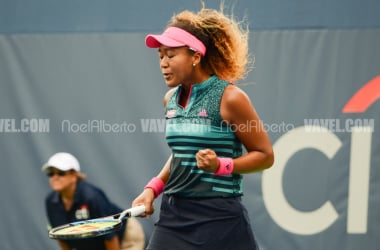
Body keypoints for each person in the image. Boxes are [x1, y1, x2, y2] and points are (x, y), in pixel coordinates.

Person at [132, 5, 275, 250]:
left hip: (220, 217)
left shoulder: (230, 98)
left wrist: (221, 165)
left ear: (196, 56)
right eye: (160, 56)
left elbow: (265, 156)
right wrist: (152, 188)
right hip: (174, 215)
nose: (163, 63)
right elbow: (182, 153)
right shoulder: (170, 99)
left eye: (171, 55)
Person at [42, 152, 145, 250]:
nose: (55, 177)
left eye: (61, 173)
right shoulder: (50, 202)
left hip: (126, 235)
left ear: (74, 176)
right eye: (51, 173)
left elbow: (110, 237)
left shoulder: (91, 197)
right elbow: (60, 236)